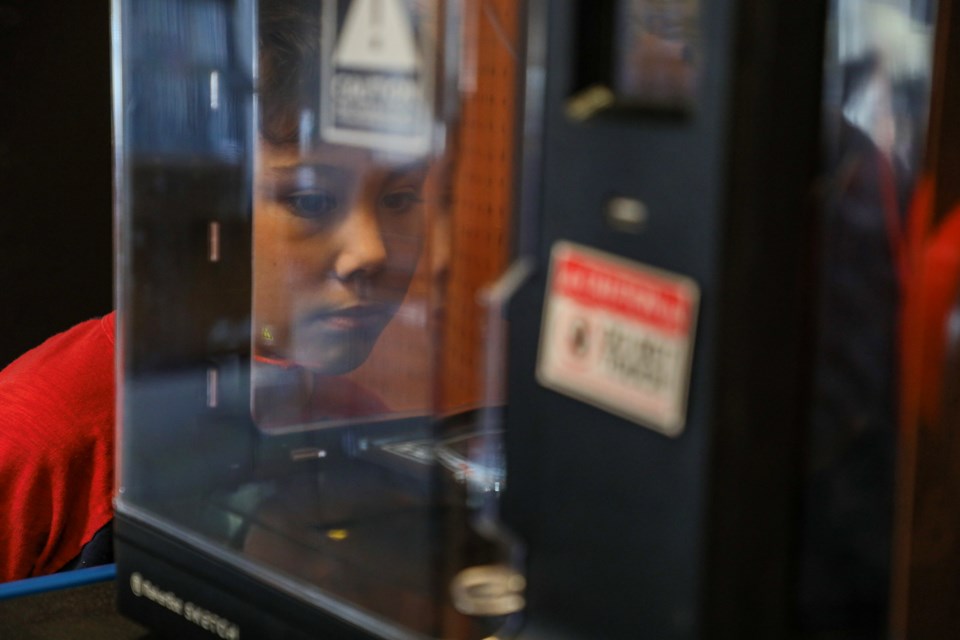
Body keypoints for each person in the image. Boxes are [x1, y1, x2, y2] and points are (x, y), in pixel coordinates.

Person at [0, 0, 440, 583]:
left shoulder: (357, 424)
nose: (373, 252)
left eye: (400, 198)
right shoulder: (39, 441)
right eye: (309, 200)